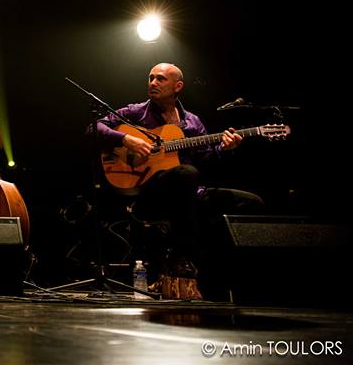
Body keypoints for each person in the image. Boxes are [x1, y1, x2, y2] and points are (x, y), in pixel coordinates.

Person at [95, 62, 263, 298]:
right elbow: (95, 127)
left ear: (178, 86)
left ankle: (222, 275)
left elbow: (206, 161)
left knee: (251, 202)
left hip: (188, 193)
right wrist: (126, 140)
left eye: (160, 79)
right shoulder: (136, 113)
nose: (153, 83)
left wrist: (226, 149)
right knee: (187, 173)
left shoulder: (192, 122)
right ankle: (182, 254)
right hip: (148, 193)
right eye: (151, 78)